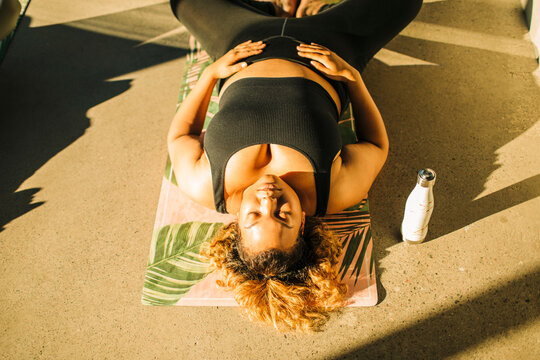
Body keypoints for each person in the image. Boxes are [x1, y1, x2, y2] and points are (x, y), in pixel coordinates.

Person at [167, 0, 423, 331]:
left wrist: (211, 73)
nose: (268, 198)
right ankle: (309, 11)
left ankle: (276, 7)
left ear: (236, 227)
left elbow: (181, 136)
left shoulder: (206, 184)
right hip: (329, 42)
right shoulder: (332, 191)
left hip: (242, 40)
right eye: (283, 215)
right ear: (302, 223)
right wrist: (352, 76)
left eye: (255, 215)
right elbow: (377, 145)